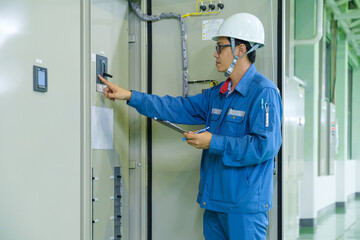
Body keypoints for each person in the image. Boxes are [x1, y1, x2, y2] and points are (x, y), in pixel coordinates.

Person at [99, 12, 282, 240]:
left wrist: (212, 142)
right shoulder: (218, 94)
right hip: (214, 202)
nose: (215, 54)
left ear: (240, 50)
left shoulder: (263, 92)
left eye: (220, 47)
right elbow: (177, 107)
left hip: (243, 207)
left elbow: (264, 146)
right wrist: (130, 96)